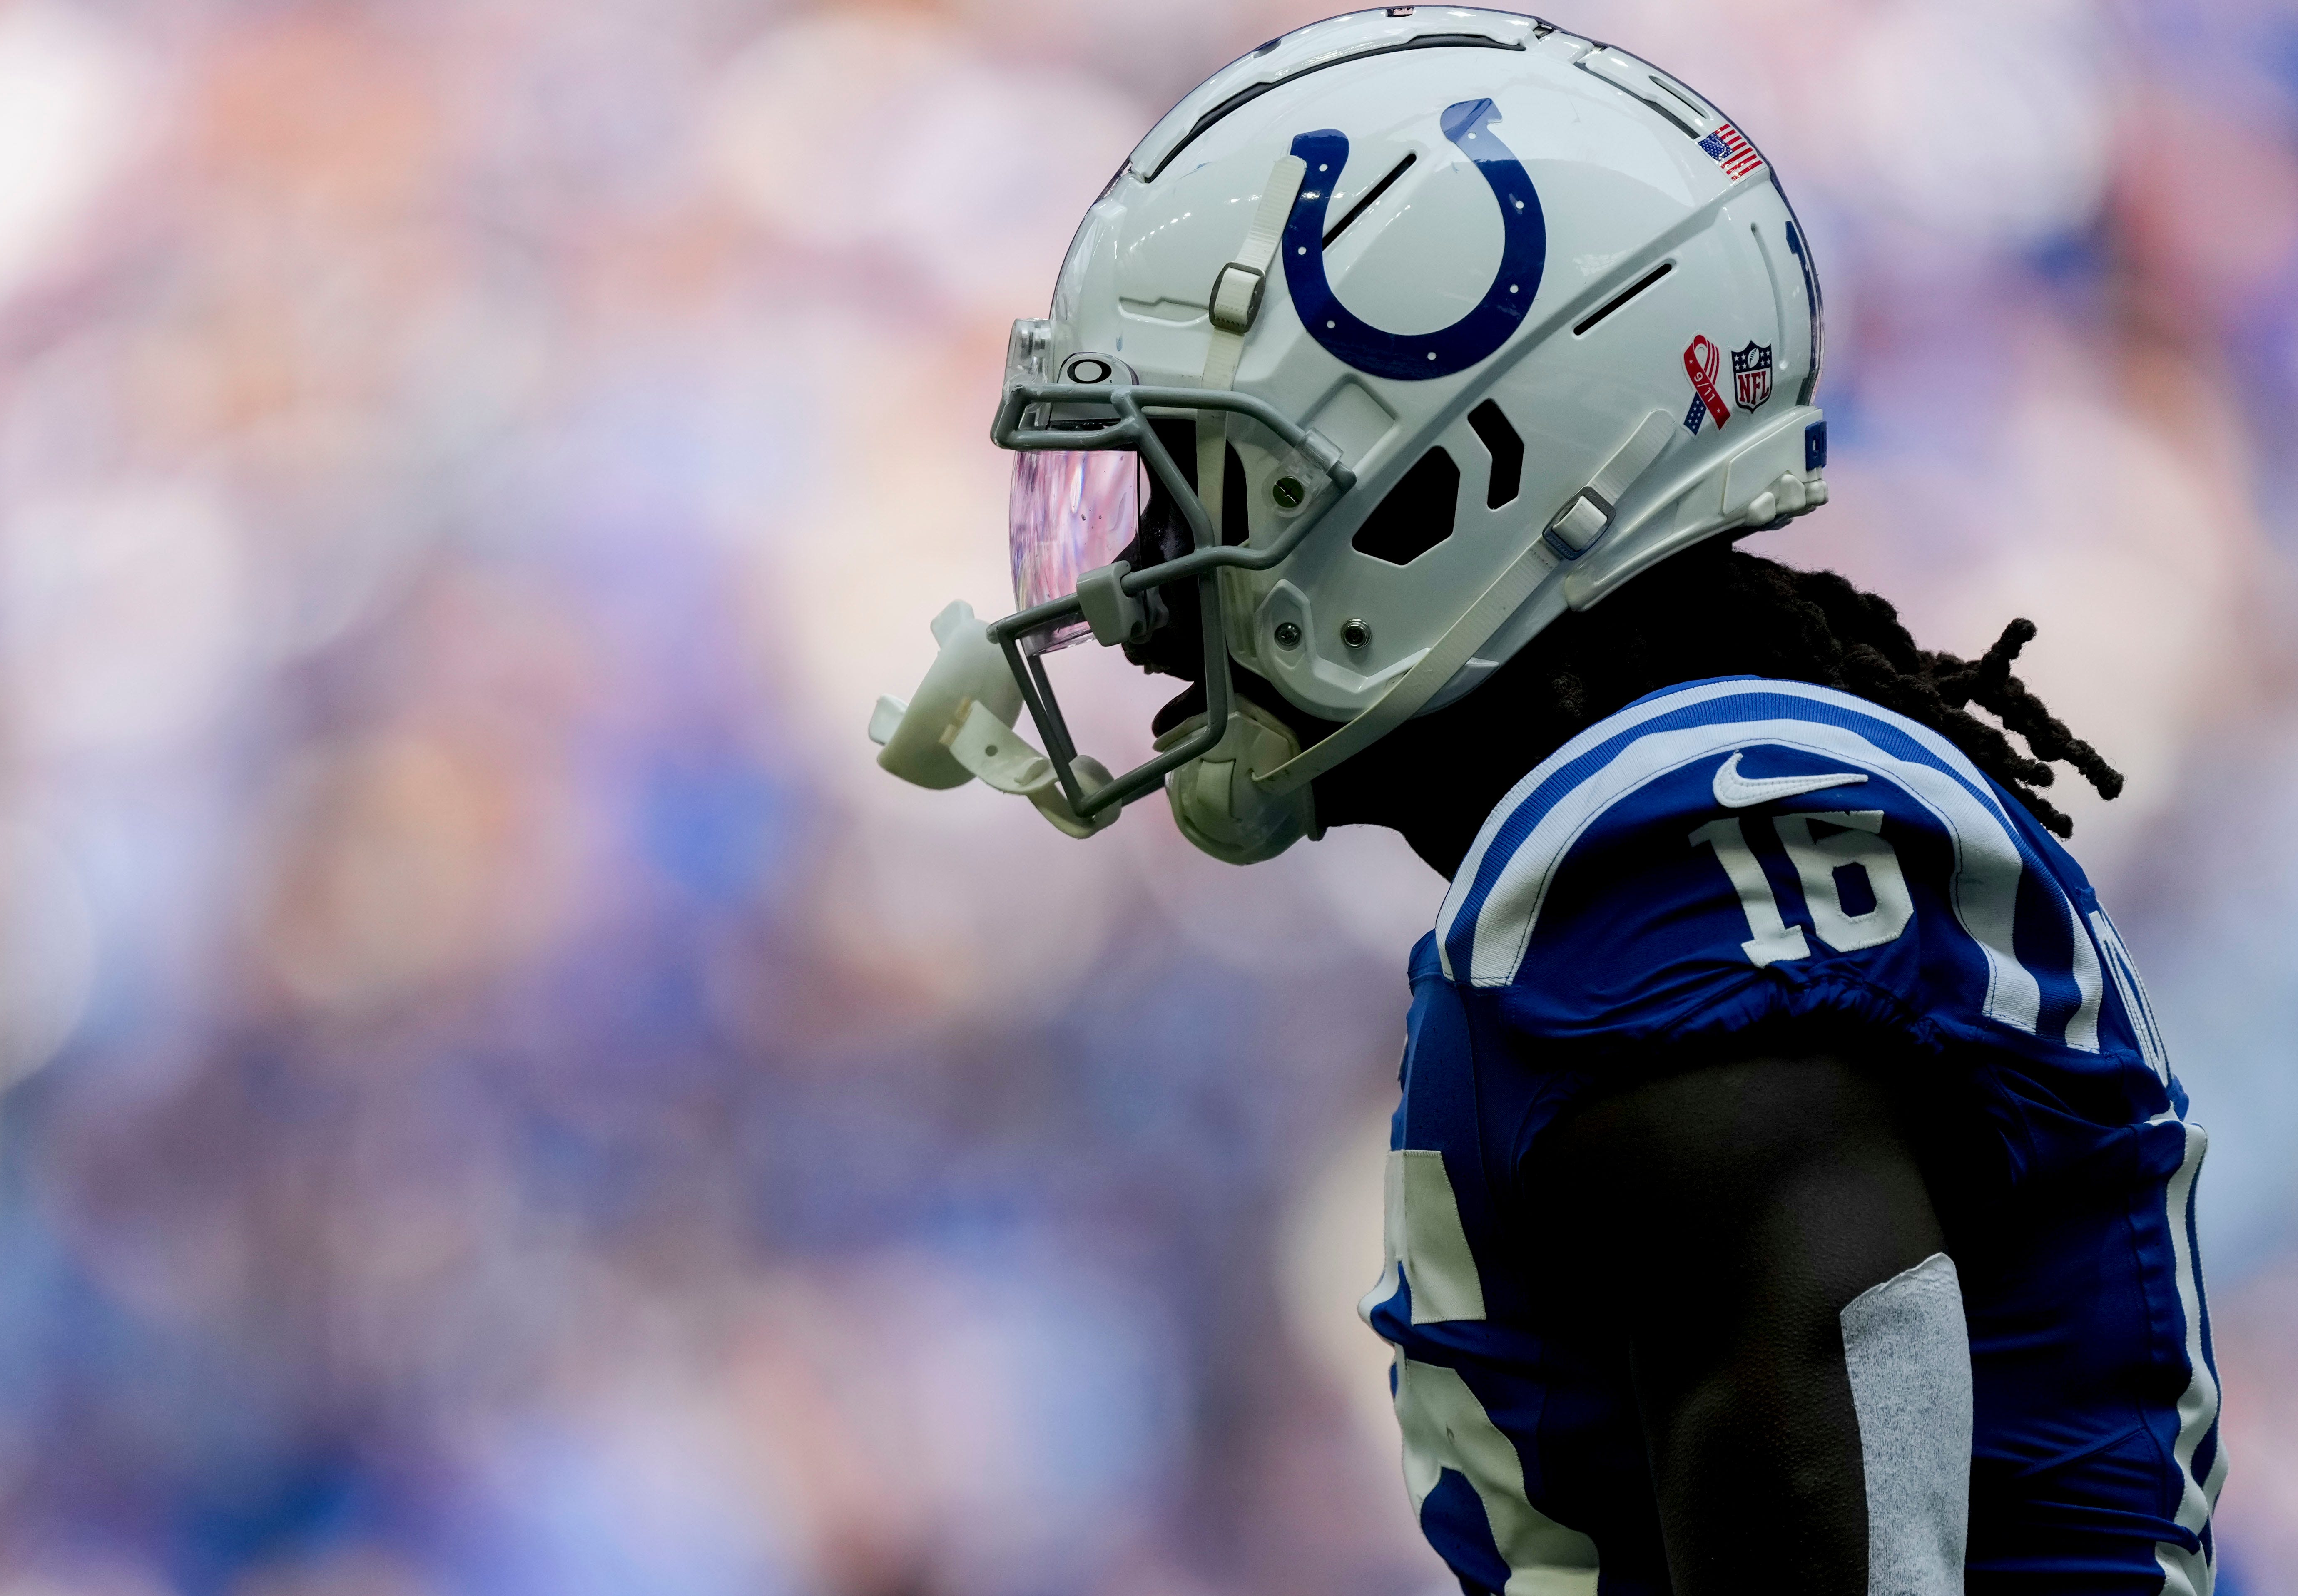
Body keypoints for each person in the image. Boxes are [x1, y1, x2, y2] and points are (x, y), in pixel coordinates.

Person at [870, 10, 2223, 1592]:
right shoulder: (1655, 837)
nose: (1137, 604)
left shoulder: (1662, 862)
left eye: (1195, 483)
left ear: (1449, 476)